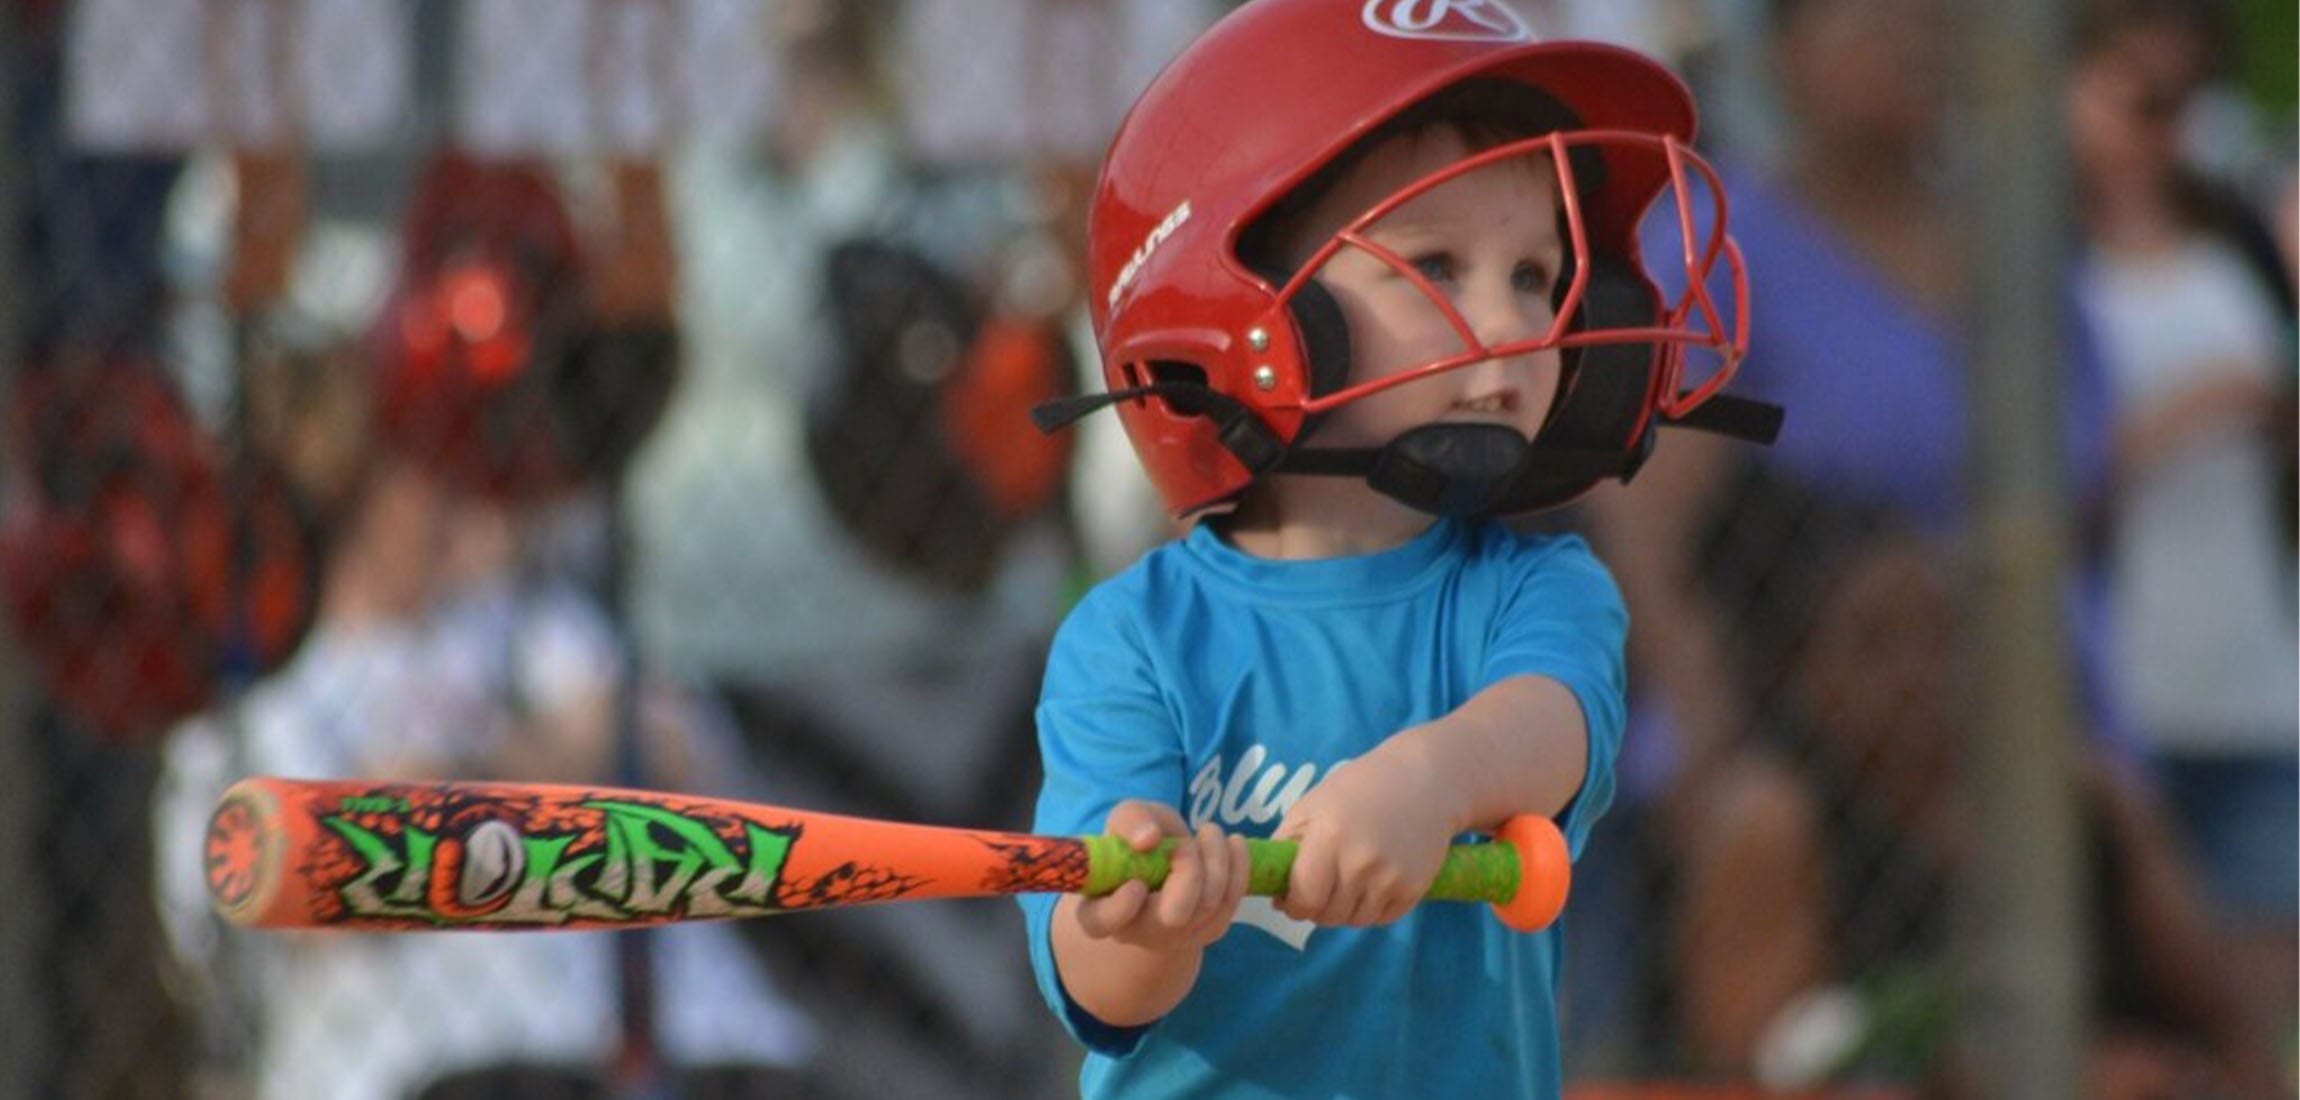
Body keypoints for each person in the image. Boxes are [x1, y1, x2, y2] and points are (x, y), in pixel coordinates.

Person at [1016, 2, 1777, 1096]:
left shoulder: (1531, 587)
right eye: (1434, 266)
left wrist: (1427, 779)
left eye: (1533, 273)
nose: (1517, 325)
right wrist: (1141, 914)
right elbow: (1100, 988)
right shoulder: (1132, 636)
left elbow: (1549, 724)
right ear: (1244, 316)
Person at [2066, 0, 2299, 1035]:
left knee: (2260, 1011)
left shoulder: (2229, 228)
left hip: (2248, 673)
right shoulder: (2030, 263)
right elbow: (2023, 486)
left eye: (2188, 101)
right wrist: (2184, 415)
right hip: (2116, 693)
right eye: (2141, 99)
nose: (2168, 130)